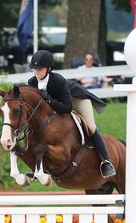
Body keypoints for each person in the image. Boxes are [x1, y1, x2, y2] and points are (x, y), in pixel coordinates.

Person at [28, 50, 116, 178]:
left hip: (76, 99)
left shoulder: (59, 80)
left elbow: (67, 108)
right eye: (33, 69)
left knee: (90, 127)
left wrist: (50, 100)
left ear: (48, 69)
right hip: (57, 102)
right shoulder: (32, 82)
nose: (36, 72)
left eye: (39, 69)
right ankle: (39, 169)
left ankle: (106, 162)